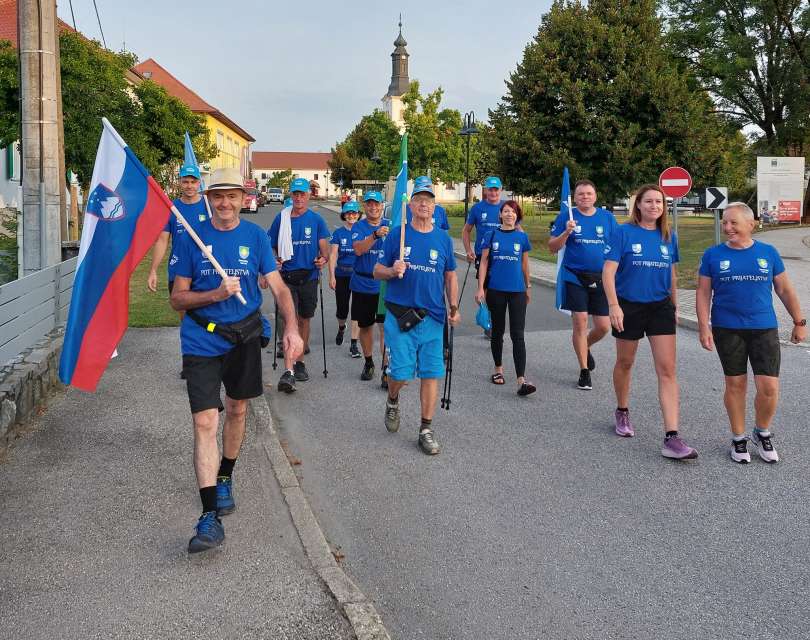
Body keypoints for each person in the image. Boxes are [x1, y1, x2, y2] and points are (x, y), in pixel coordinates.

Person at [170, 167, 303, 553]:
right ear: (209, 200)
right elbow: (177, 298)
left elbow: (279, 290)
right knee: (205, 419)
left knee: (237, 410)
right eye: (218, 197)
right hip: (201, 339)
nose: (225, 203)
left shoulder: (255, 237)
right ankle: (209, 514)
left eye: (231, 196)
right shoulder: (192, 239)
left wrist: (291, 329)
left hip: (243, 337)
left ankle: (225, 474)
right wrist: (213, 295)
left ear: (243, 199)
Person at [696, 202, 806, 463]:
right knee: (736, 384)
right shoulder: (712, 255)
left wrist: (799, 322)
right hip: (727, 327)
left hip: (763, 327)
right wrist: (703, 326)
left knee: (768, 387)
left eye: (733, 222)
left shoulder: (768, 252)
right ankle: (738, 438)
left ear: (751, 224)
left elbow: (785, 290)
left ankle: (762, 431)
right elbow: (702, 293)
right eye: (725, 222)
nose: (727, 227)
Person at [602, 184, 697, 460]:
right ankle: (622, 411)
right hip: (628, 306)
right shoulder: (623, 232)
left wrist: (675, 306)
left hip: (660, 307)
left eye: (659, 202)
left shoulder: (669, 236)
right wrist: (614, 305)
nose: (655, 206)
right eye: (649, 201)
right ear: (638, 205)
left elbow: (672, 274)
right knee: (625, 362)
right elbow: (608, 272)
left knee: (667, 370)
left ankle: (672, 437)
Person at [374, 180, 460, 455]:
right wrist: (391, 271)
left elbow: (450, 276)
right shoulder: (397, 235)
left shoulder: (443, 239)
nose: (424, 204)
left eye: (429, 200)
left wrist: (454, 307)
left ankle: (425, 428)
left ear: (435, 206)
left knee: (431, 374)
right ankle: (393, 397)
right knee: (401, 373)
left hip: (433, 318)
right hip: (400, 316)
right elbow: (377, 270)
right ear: (410, 205)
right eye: (419, 199)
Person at [548, 180, 618, 390]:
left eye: (589, 193)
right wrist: (566, 233)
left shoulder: (607, 218)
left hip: (601, 277)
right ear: (575, 198)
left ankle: (585, 346)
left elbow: (617, 245)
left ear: (595, 196)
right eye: (580, 194)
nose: (585, 197)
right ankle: (584, 371)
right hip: (574, 276)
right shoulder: (566, 217)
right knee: (580, 320)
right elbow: (552, 247)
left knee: (604, 326)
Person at [267, 178, 330, 393]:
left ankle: (300, 360)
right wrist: (274, 258)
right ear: (291, 195)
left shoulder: (317, 220)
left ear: (309, 195)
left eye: (303, 194)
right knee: (288, 320)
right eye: (295, 194)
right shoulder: (281, 218)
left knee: (304, 319)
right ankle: (289, 369)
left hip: (309, 277)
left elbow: (325, 250)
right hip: (286, 278)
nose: (299, 198)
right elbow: (271, 245)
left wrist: (323, 259)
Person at [475, 200, 535, 395]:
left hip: (517, 291)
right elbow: (484, 262)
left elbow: (525, 265)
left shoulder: (522, 237)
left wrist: (528, 286)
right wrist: (480, 288)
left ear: (517, 216)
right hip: (496, 290)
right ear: (500, 215)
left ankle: (521, 380)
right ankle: (498, 370)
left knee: (518, 335)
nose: (509, 214)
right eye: (506, 211)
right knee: (498, 331)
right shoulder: (491, 235)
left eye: (513, 212)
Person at [351, 191, 391, 385]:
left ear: (382, 205)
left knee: (386, 328)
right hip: (363, 283)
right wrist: (375, 235)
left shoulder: (391, 226)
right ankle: (368, 362)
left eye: (376, 204)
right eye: (369, 204)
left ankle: (386, 368)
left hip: (385, 286)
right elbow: (358, 249)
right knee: (365, 326)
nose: (373, 207)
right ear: (364, 206)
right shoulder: (359, 226)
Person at [463, 176, 504, 337]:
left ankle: (494, 320)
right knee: (484, 290)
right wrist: (468, 250)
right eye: (490, 189)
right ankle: (488, 321)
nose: (493, 192)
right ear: (485, 190)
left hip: (502, 255)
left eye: (496, 189)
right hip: (483, 255)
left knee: (500, 290)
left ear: (500, 190)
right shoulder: (477, 208)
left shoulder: (506, 207)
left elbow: (517, 229)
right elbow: (466, 230)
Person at [329, 200, 361, 356]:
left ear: (358, 215)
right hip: (342, 274)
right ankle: (341, 327)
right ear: (344, 215)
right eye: (348, 213)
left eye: (354, 213)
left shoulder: (363, 232)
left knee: (357, 309)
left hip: (358, 276)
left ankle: (354, 343)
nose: (351, 216)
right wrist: (331, 275)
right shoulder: (338, 233)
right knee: (342, 309)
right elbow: (333, 254)